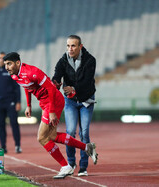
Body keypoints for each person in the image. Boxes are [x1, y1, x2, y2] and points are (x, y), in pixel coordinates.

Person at [3, 52, 98, 179]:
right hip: (45, 103)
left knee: (42, 137)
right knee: (52, 135)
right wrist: (29, 105)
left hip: (53, 101)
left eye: (9, 64)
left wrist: (52, 111)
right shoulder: (15, 75)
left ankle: (66, 166)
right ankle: (87, 147)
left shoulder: (33, 72)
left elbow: (52, 89)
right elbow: (26, 85)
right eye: (5, 65)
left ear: (17, 63)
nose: (7, 67)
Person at [52, 35, 97, 177]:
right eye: (68, 46)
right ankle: (71, 163)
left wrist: (74, 89)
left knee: (84, 133)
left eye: (73, 46)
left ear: (80, 47)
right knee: (70, 131)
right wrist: (56, 83)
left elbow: (87, 81)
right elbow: (57, 75)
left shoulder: (90, 60)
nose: (70, 49)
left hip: (86, 100)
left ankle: (83, 166)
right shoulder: (63, 60)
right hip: (70, 102)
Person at [0, 52, 22, 154]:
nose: (1, 60)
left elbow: (17, 87)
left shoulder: (11, 71)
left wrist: (18, 102)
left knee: (14, 124)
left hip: (10, 102)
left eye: (3, 58)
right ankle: (3, 146)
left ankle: (17, 145)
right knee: (0, 125)